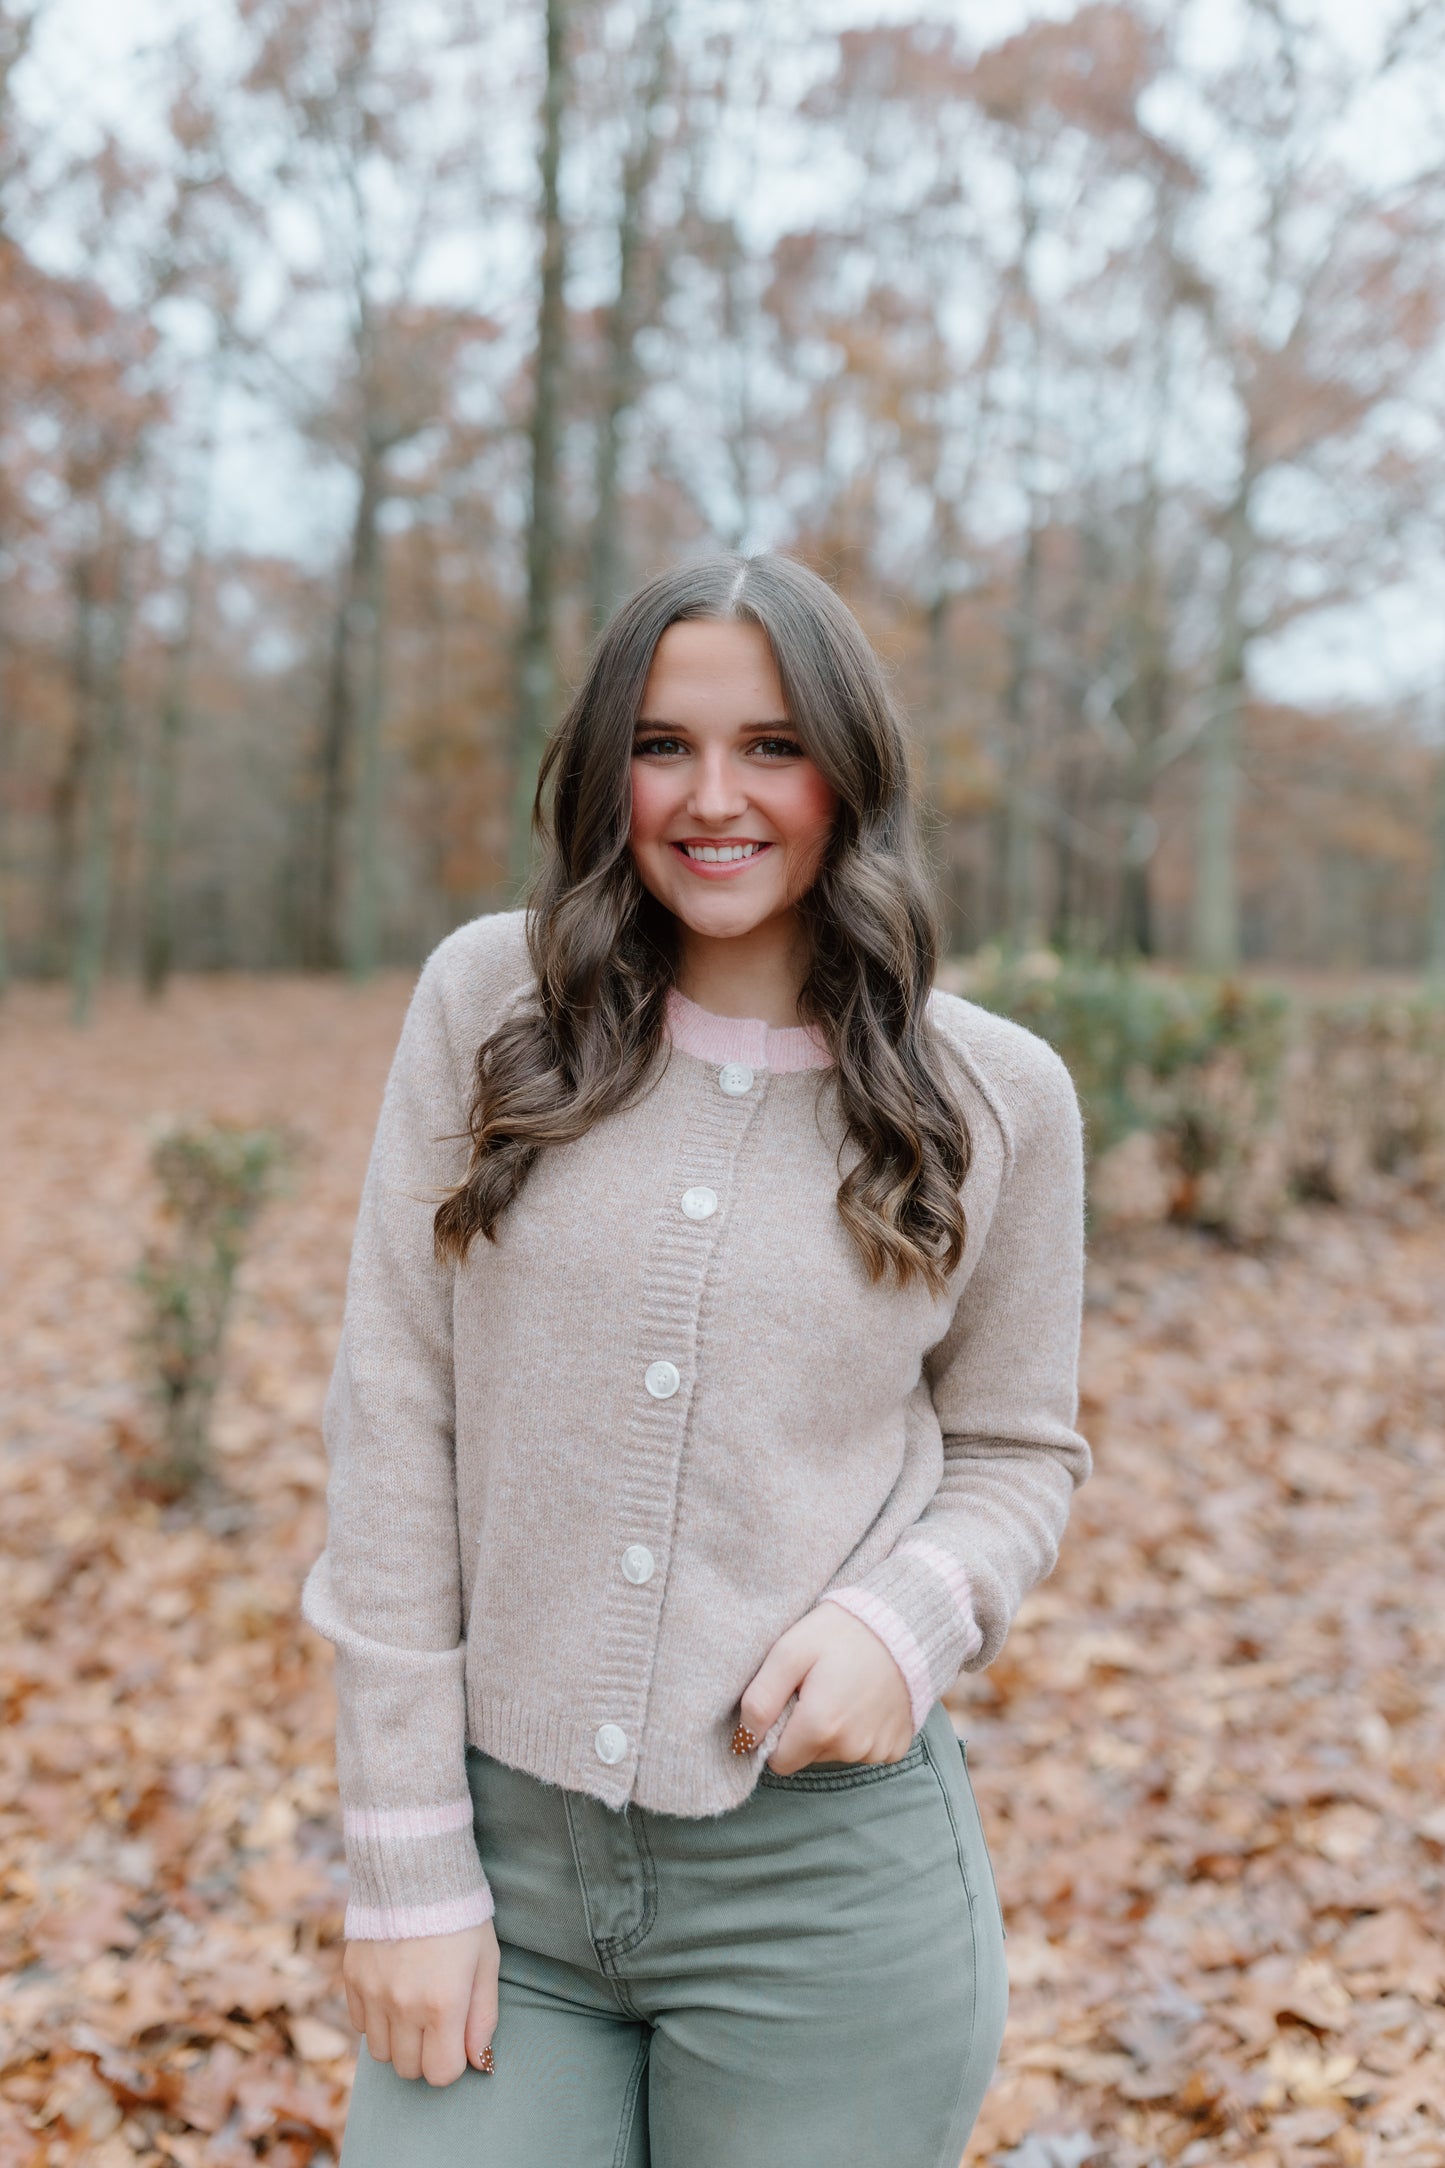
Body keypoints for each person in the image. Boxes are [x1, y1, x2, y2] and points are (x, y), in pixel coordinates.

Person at [301, 551, 1090, 2168]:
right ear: (606, 769)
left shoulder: (995, 1099)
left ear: (847, 774)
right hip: (501, 1869)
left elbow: (1017, 1451)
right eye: (663, 744)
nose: (711, 797)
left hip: (828, 1897)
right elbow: (395, 1420)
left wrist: (907, 1620)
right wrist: (401, 1863)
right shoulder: (488, 1006)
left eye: (772, 746)